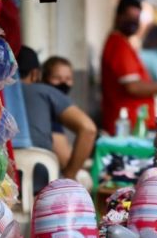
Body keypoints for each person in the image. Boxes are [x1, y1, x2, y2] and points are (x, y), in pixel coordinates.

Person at [17, 46, 97, 179]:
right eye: (57, 78)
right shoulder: (46, 94)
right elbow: (88, 129)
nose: (63, 83)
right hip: (40, 177)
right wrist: (70, 175)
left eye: (68, 78)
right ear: (36, 75)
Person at [101, 0, 157, 134]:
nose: (133, 22)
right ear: (118, 16)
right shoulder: (119, 45)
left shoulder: (124, 43)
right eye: (129, 17)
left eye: (136, 18)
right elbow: (133, 86)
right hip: (126, 127)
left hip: (133, 125)